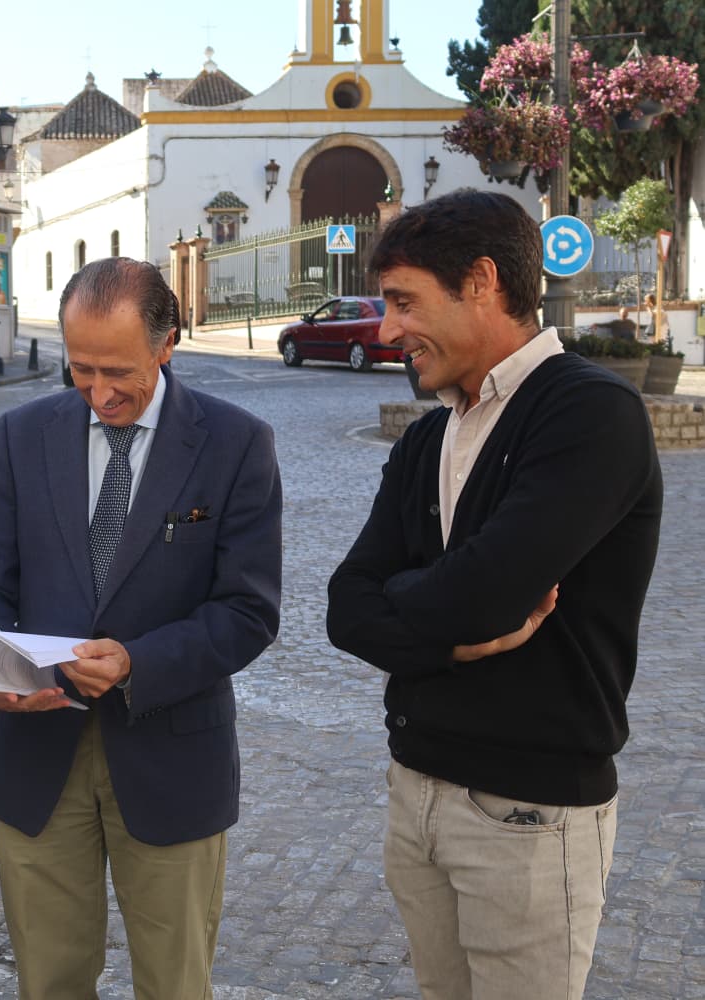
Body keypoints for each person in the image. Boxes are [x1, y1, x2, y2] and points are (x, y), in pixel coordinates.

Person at [326, 189, 662, 1000]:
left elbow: (486, 597)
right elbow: (345, 607)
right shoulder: (430, 435)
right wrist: (446, 626)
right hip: (417, 796)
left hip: (528, 814)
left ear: (481, 281)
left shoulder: (589, 414)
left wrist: (420, 608)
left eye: (405, 303)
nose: (386, 331)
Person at [0, 256, 283, 999]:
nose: (99, 394)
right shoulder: (22, 435)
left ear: (168, 344)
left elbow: (249, 610)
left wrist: (138, 662)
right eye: (79, 371)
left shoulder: (235, 443)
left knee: (173, 984)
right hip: (38, 755)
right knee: (50, 982)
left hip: (171, 763)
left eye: (118, 372)